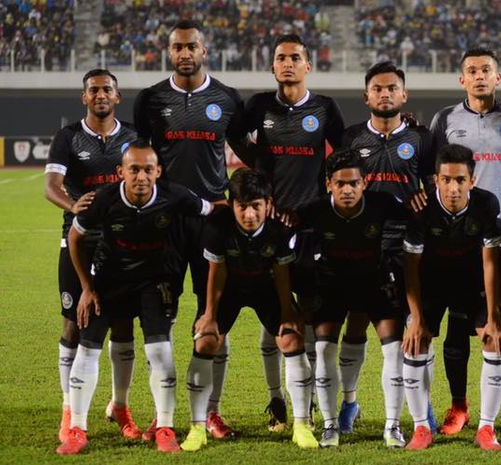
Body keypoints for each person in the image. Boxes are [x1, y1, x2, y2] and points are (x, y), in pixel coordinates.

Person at [56, 141, 221, 455]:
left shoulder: (175, 195)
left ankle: (165, 429)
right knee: (88, 348)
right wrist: (87, 288)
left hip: (152, 282)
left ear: (158, 171)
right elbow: (75, 237)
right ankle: (76, 429)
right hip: (108, 280)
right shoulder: (103, 200)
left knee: (160, 350)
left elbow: (212, 209)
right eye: (134, 169)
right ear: (121, 172)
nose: (141, 176)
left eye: (148, 169)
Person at [133, 19, 246, 440]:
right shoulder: (149, 100)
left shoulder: (227, 99)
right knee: (160, 315)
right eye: (177, 47)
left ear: (204, 50)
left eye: (191, 46)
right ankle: (161, 414)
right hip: (162, 224)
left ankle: (211, 412)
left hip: (212, 223)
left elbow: (249, 150)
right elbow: (139, 156)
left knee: (213, 314)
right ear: (168, 51)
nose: (184, 53)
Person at [239, 33, 345, 431]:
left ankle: (314, 399)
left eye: (295, 57)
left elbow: (344, 152)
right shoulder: (259, 107)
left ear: (308, 65)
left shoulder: (324, 108)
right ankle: (276, 400)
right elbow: (235, 137)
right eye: (280, 57)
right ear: (272, 66)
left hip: (311, 227)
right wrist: (258, 165)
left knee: (312, 317)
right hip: (269, 227)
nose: (288, 63)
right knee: (274, 320)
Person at [428, 48, 501, 434]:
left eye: (486, 70)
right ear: (461, 79)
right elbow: (431, 175)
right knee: (458, 330)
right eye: (471, 70)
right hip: (459, 244)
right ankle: (459, 406)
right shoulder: (445, 120)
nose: (479, 76)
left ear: (498, 76)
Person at [181, 168, 317, 451]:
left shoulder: (279, 230)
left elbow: (281, 275)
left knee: (292, 337)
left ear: (268, 204)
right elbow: (215, 274)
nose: (249, 215)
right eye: (242, 207)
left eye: (256, 206)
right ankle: (197, 427)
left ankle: (302, 424)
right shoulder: (217, 227)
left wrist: (288, 311)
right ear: (232, 206)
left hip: (264, 289)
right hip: (229, 289)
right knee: (206, 342)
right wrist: (209, 314)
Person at [337, 60, 433, 434]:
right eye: (378, 88)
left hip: (408, 246)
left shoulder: (422, 139)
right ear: (367, 97)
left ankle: (422, 409)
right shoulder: (351, 139)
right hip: (362, 246)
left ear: (404, 95)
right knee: (356, 324)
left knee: (417, 327)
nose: (385, 93)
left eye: (392, 88)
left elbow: (432, 189)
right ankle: (349, 403)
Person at [44, 69, 138, 444]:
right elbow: (51, 186)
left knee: (123, 325)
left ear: (118, 96)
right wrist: (74, 205)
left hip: (121, 244)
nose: (101, 95)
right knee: (73, 323)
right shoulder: (68, 137)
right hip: (79, 242)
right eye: (94, 90)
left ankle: (121, 407)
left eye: (107, 90)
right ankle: (70, 409)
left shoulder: (132, 137)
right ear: (84, 97)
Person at [298, 149, 407, 448]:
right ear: (329, 184)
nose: (348, 190)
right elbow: (291, 243)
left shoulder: (383, 204)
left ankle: (392, 427)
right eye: (340, 184)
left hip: (374, 281)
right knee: (323, 350)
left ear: (365, 183)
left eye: (354, 184)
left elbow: (417, 220)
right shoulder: (313, 210)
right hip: (332, 284)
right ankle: (330, 426)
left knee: (394, 350)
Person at [402, 144, 501, 450]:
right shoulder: (420, 209)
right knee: (416, 342)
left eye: (460, 180)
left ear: (472, 181)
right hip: (430, 285)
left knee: (493, 340)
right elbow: (411, 268)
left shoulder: (486, 203)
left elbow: (491, 263)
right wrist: (417, 319)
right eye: (446, 179)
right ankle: (421, 428)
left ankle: (486, 428)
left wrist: (493, 315)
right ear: (436, 180)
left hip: (471, 282)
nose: (453, 187)